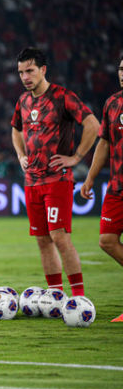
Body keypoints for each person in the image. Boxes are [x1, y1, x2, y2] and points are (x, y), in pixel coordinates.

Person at [11, 47, 99, 296]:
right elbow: (16, 130)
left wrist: (77, 157)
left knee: (59, 236)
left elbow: (93, 124)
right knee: (42, 240)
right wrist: (20, 155)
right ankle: (56, 296)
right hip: (32, 181)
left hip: (57, 179)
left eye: (30, 71)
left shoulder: (62, 96)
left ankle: (79, 297)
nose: (25, 77)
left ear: (43, 70)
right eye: (21, 72)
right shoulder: (23, 101)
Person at [80, 55, 123, 322]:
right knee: (106, 241)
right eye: (120, 69)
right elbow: (104, 143)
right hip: (117, 187)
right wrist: (90, 178)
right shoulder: (112, 103)